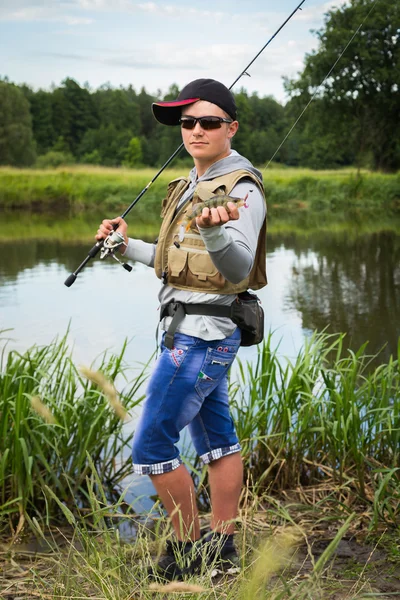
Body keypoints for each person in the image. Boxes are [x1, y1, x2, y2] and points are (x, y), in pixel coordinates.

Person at [96, 78, 267, 579]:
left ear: (230, 128)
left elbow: (235, 269)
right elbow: (174, 262)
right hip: (189, 330)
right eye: (187, 122)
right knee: (218, 441)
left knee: (151, 446)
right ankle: (225, 547)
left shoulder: (242, 189)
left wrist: (214, 230)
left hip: (202, 338)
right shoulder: (189, 184)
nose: (195, 130)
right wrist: (125, 246)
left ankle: (190, 551)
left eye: (209, 122)